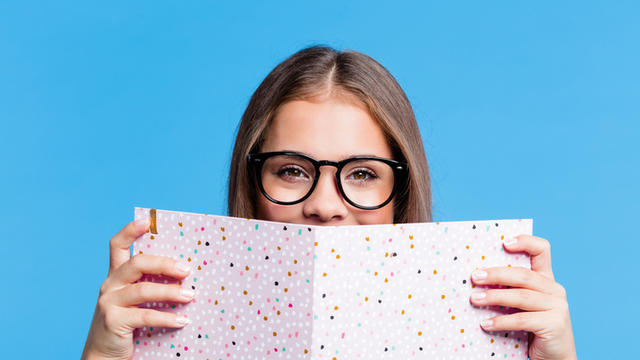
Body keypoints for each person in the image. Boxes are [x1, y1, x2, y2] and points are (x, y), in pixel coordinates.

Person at [82, 46, 577, 359]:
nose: (324, 205)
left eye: (362, 174)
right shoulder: (172, 326)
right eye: (292, 170)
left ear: (401, 192)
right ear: (251, 180)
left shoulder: (480, 333)